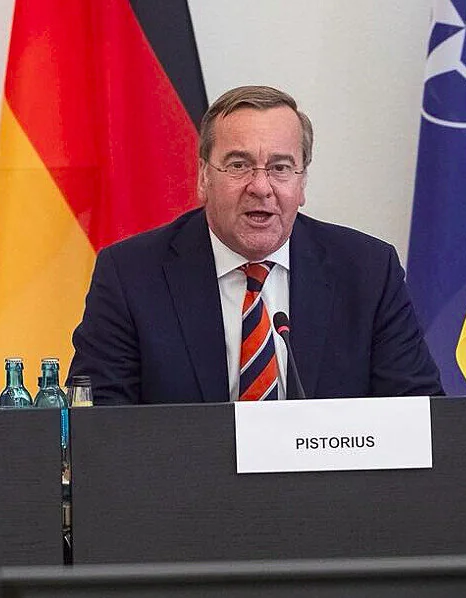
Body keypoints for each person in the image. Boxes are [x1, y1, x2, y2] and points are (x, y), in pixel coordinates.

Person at [70, 85, 443, 403]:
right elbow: (98, 422)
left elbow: (420, 415)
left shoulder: (368, 271)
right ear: (203, 177)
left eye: (280, 167)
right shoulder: (131, 275)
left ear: (302, 182)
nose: (261, 187)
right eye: (238, 165)